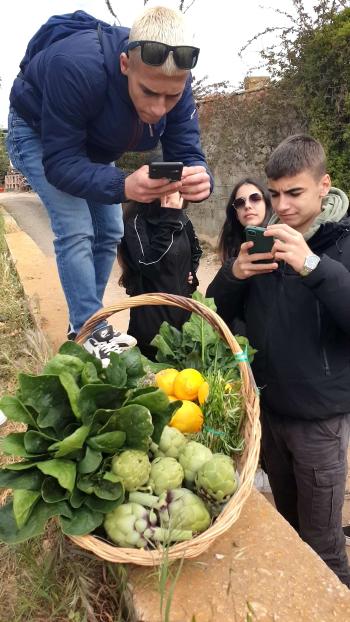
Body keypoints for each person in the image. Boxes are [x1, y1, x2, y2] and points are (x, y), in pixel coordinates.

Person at [6, 6, 212, 366]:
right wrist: (123, 185)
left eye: (172, 97)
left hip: (93, 143)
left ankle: (83, 326)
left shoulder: (174, 80)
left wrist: (198, 177)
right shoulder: (75, 66)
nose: (160, 108)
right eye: (149, 92)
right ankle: (90, 327)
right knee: (76, 226)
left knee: (110, 229)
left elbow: (187, 150)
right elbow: (61, 163)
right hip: (39, 133)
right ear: (124, 65)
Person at [207, 134, 350, 587]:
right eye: (274, 194)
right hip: (269, 413)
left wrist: (313, 266)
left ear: (323, 185)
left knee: (323, 546)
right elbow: (217, 313)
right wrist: (234, 275)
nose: (281, 206)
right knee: (288, 528)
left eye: (294, 193)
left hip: (319, 423)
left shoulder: (340, 243)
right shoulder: (264, 240)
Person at [118, 192, 202, 359]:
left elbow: (196, 252)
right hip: (151, 326)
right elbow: (148, 265)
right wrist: (169, 220)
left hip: (183, 317)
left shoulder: (183, 220)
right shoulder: (136, 221)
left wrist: (191, 273)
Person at [217, 177, 272, 264]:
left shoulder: (285, 240)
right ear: (236, 215)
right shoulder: (231, 251)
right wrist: (232, 272)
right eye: (240, 203)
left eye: (255, 198)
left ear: (267, 204)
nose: (247, 205)